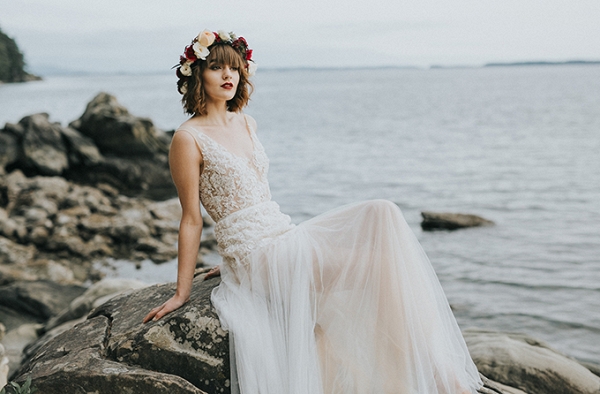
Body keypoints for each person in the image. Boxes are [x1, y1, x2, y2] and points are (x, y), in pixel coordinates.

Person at [143, 29, 482, 394]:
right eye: (216, 67)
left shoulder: (246, 122)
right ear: (197, 74)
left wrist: (226, 257)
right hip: (255, 255)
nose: (229, 76)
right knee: (384, 268)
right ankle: (443, 380)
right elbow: (192, 218)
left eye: (235, 68)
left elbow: (258, 192)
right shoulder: (187, 138)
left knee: (382, 212)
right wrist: (184, 290)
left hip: (283, 235)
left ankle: (429, 372)